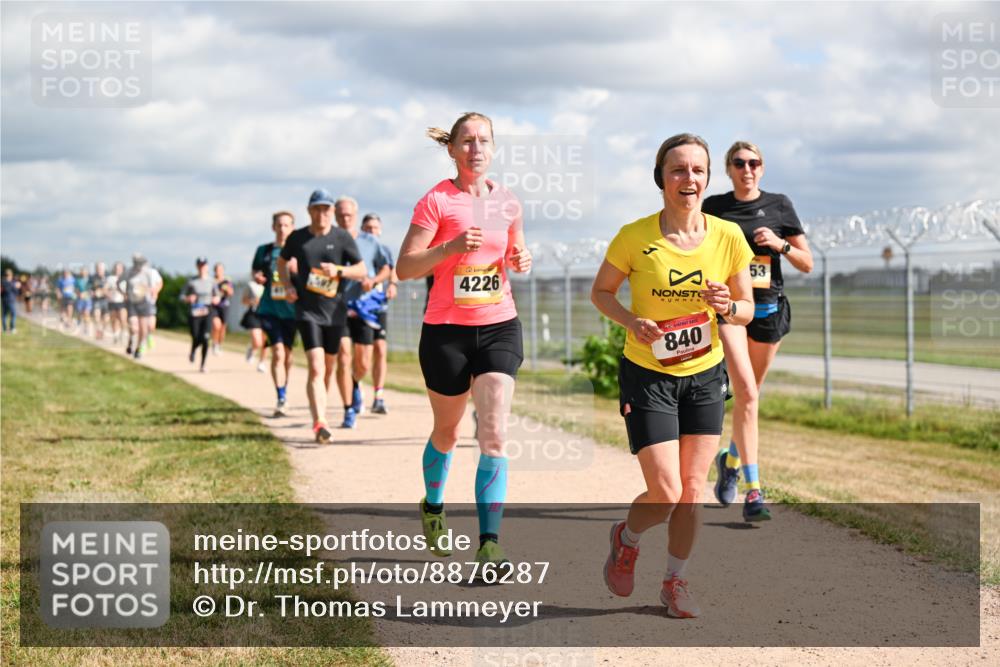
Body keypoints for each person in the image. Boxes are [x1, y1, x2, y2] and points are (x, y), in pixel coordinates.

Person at [590, 133, 754, 618]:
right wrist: (630, 321)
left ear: (708, 178)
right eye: (678, 169)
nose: (689, 178)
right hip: (648, 374)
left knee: (692, 489)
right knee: (665, 492)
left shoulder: (728, 236)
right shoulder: (634, 237)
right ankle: (627, 537)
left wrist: (729, 306)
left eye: (698, 170)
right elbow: (601, 292)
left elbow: (746, 308)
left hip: (704, 374)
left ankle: (674, 582)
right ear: (661, 178)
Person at [396, 112, 532, 570]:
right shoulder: (436, 201)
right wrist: (449, 249)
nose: (476, 148)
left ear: (493, 148)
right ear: (452, 149)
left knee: (494, 431)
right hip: (446, 332)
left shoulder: (507, 202)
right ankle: (434, 505)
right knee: (448, 431)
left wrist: (521, 258)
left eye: (484, 140)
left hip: (499, 324)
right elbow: (405, 267)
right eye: (468, 141)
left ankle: (490, 543)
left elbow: (513, 253)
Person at [702, 141, 814, 521]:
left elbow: (807, 263)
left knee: (750, 398)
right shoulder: (715, 208)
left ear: (762, 168)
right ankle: (754, 492)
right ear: (729, 169)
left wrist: (780, 244)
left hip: (768, 310)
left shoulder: (779, 205)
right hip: (733, 311)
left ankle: (730, 461)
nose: (747, 169)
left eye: (754, 163)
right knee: (747, 394)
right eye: (739, 163)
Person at [278, 189, 366, 443]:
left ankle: (321, 410)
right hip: (307, 311)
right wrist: (287, 285)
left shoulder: (342, 237)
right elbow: (282, 263)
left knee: (328, 367)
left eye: (326, 209)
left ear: (331, 211)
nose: (322, 213)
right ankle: (320, 423)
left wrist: (338, 270)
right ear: (309, 211)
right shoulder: (297, 238)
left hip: (335, 312)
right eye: (317, 208)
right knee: (316, 366)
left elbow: (361, 270)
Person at [333, 196, 392, 428]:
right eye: (340, 215)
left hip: (364, 307)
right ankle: (348, 409)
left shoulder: (370, 241)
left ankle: (355, 382)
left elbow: (387, 268)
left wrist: (374, 281)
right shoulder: (328, 240)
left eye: (348, 214)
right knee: (343, 356)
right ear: (335, 216)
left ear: (355, 216)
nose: (344, 218)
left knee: (364, 362)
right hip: (337, 308)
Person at [253, 211, 299, 417]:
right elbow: (256, 272)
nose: (282, 229)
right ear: (273, 227)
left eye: (286, 225)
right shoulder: (264, 251)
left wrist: (296, 270)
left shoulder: (298, 251)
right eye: (279, 225)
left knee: (287, 355)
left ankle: (285, 388)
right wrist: (258, 277)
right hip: (269, 308)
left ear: (292, 228)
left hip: (292, 310)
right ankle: (280, 396)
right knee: (278, 351)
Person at [361, 212, 399, 414]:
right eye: (368, 228)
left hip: (379, 306)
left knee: (381, 349)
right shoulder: (357, 249)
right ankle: (356, 387)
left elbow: (393, 270)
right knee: (363, 355)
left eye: (375, 228)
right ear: (362, 230)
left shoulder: (384, 250)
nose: (371, 231)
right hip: (359, 307)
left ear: (380, 230)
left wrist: (392, 285)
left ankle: (379, 396)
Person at [184, 258, 219, 372]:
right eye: (200, 265)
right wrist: (188, 298)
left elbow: (217, 295)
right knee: (195, 335)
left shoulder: (212, 281)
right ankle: (193, 349)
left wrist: (216, 299)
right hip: (195, 311)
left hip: (208, 310)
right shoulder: (191, 281)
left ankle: (203, 364)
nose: (202, 268)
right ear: (197, 267)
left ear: (207, 267)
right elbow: (182, 296)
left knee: (206, 337)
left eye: (204, 265)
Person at [123, 253, 158, 358]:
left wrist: (153, 292)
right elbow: (120, 283)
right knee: (134, 327)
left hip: (145, 302)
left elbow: (155, 286)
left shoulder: (149, 273)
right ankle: (132, 341)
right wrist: (124, 293)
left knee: (145, 327)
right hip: (132, 302)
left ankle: (139, 348)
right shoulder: (129, 272)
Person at [241, 278, 268, 372]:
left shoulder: (271, 284)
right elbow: (243, 301)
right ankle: (252, 348)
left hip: (268, 314)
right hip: (254, 314)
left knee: (265, 340)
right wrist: (253, 301)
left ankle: (261, 362)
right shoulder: (251, 285)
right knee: (257, 341)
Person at [211, 263, 234, 355]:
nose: (219, 271)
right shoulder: (211, 281)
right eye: (217, 270)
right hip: (214, 306)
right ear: (214, 271)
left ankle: (219, 345)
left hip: (224, 306)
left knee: (223, 328)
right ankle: (214, 344)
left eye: (220, 270)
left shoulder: (227, 281)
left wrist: (227, 289)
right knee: (217, 325)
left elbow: (231, 293)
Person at [104, 262, 128, 344]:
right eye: (117, 268)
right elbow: (105, 289)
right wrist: (108, 294)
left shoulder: (125, 278)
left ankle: (122, 334)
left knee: (123, 319)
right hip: (112, 302)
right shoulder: (110, 278)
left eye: (120, 269)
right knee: (114, 320)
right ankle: (115, 336)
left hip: (122, 302)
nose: (118, 270)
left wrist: (126, 296)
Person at [91, 262, 109, 340]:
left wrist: (107, 291)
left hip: (106, 300)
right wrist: (92, 292)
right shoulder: (92, 277)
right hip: (96, 300)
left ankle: (103, 331)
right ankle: (98, 331)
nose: (99, 270)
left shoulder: (108, 276)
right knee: (96, 316)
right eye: (98, 269)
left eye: (101, 269)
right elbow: (89, 287)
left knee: (106, 319)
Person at [74, 266, 94, 335]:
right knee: (79, 313)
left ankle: (87, 328)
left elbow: (93, 289)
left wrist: (89, 293)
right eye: (82, 271)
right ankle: (78, 326)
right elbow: (76, 289)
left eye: (85, 271)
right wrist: (79, 294)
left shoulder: (91, 280)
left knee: (86, 313)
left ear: (87, 272)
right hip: (80, 299)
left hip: (88, 299)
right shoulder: (78, 280)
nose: (83, 273)